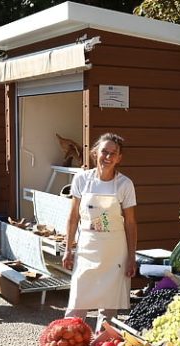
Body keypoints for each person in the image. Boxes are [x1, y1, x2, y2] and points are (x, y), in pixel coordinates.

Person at [62, 133, 137, 331]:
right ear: (95, 153)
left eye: (114, 153)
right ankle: (69, 342)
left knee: (108, 306)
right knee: (77, 302)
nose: (108, 157)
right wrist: (68, 249)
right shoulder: (82, 179)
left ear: (119, 158)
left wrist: (131, 256)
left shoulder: (125, 184)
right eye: (104, 151)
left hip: (114, 251)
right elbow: (73, 217)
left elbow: (130, 223)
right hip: (87, 247)